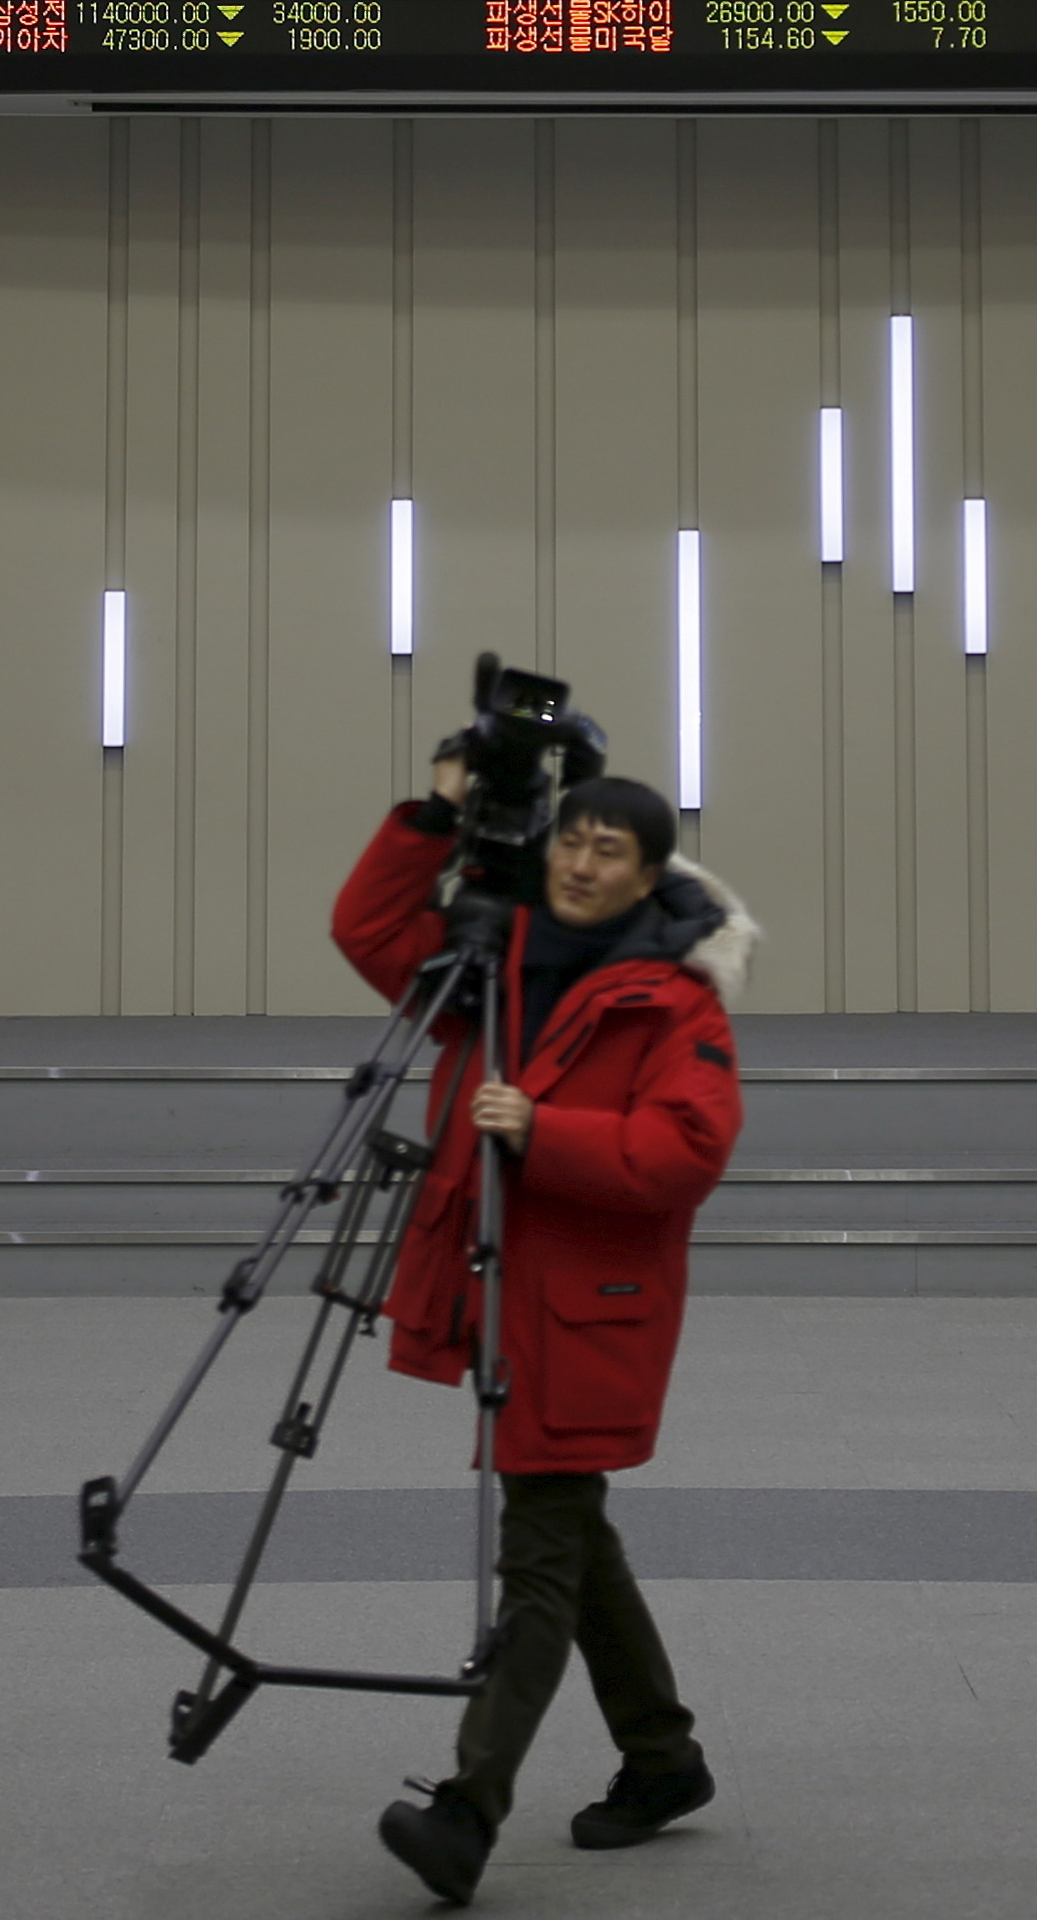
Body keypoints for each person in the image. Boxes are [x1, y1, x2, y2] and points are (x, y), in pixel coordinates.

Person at [330, 741, 756, 1905]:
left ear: (650, 876)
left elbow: (687, 1151)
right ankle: (662, 1757)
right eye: (567, 837)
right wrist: (438, 808)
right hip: (496, 1289)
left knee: (539, 1560)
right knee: (570, 1535)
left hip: (585, 1318)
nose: (576, 860)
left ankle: (468, 1810)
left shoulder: (676, 1001)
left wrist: (540, 1128)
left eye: (605, 850)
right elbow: (370, 933)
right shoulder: (497, 953)